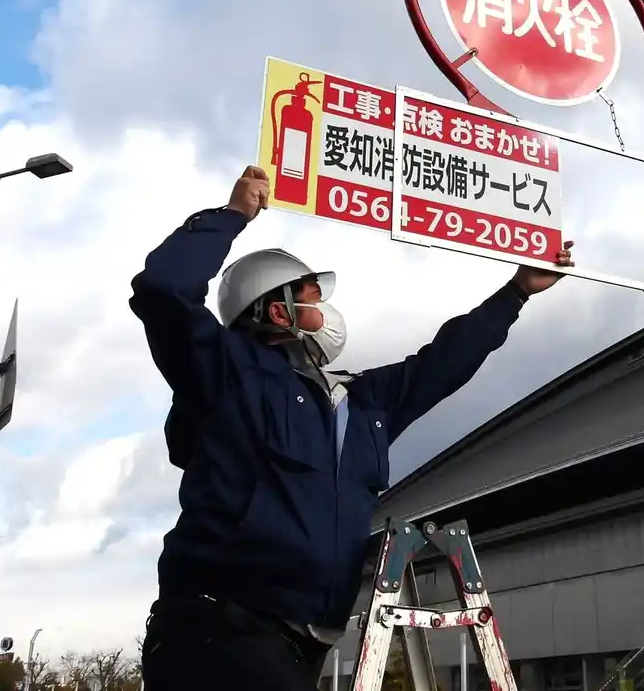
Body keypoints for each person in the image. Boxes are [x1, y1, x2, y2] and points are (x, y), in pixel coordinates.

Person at [132, 165, 573, 691]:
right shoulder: (225, 374)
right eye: (314, 294)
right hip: (216, 634)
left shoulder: (360, 402)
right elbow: (163, 288)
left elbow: (443, 362)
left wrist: (517, 292)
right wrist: (231, 217)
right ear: (279, 309)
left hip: (303, 648)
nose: (327, 306)